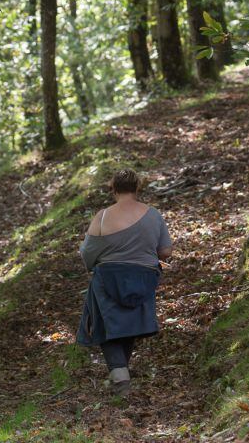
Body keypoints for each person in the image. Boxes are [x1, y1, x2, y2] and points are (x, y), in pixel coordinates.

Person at [76, 168, 173, 396]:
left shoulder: (103, 217)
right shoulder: (153, 215)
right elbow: (166, 251)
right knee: (129, 325)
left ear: (113, 189)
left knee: (105, 324)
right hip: (145, 276)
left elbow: (87, 255)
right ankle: (121, 372)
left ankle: (120, 376)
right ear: (137, 188)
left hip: (109, 277)